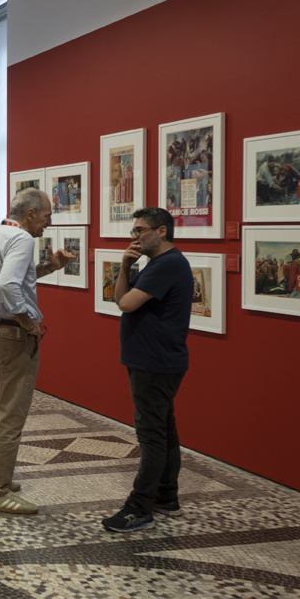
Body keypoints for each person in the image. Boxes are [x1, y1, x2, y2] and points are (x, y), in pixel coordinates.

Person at [0, 188, 70, 514]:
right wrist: (27, 321)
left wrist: (49, 267)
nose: (48, 223)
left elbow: (14, 279)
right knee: (11, 415)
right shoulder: (23, 240)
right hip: (14, 337)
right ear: (29, 214)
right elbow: (8, 284)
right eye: (46, 216)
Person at [102, 206, 194, 533]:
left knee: (151, 435)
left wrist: (127, 266)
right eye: (134, 231)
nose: (134, 236)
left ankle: (139, 508)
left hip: (155, 362)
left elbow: (126, 304)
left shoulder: (167, 264)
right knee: (164, 429)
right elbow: (120, 297)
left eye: (140, 230)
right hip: (154, 360)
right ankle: (166, 495)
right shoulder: (156, 264)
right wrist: (126, 266)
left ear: (162, 231)